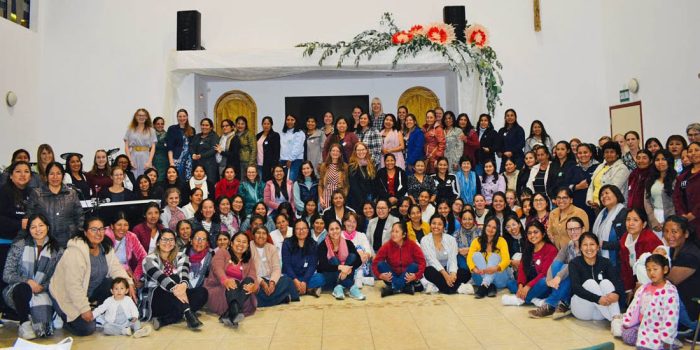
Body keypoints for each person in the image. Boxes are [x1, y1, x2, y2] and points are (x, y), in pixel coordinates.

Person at [50, 217, 135, 336]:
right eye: (94, 229)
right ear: (85, 232)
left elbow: (115, 268)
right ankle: (60, 314)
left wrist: (128, 282)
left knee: (115, 285)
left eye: (101, 229)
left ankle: (97, 313)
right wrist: (84, 309)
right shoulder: (75, 252)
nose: (98, 233)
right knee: (87, 328)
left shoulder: (105, 247)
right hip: (65, 294)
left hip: (88, 292)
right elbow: (73, 286)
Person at [2, 214, 62, 340]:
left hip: (44, 291)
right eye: (33, 227)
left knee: (45, 331)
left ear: (48, 227)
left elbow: (58, 278)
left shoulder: (57, 251)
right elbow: (7, 275)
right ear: (28, 230)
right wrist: (28, 282)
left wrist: (42, 287)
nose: (37, 230)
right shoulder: (19, 245)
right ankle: (24, 324)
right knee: (23, 288)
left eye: (41, 225)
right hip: (17, 291)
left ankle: (49, 317)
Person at [141, 230, 207, 330]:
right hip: (157, 300)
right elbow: (161, 278)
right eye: (164, 239)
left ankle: (166, 320)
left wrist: (183, 285)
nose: (168, 242)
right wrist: (179, 287)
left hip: (176, 298)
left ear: (175, 243)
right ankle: (187, 312)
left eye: (171, 240)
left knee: (202, 292)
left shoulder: (182, 256)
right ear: (158, 242)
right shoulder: (149, 259)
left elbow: (184, 275)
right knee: (174, 278)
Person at [529, 217, 584, 319]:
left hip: (582, 281)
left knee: (567, 267)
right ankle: (563, 302)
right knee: (556, 266)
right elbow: (554, 263)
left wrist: (558, 277)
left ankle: (550, 304)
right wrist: (549, 279)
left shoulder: (586, 245)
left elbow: (573, 266)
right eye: (570, 229)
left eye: (576, 229)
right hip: (563, 282)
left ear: (583, 229)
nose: (573, 232)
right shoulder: (568, 246)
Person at [620, 254, 679, 349]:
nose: (651, 273)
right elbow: (633, 307)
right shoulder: (643, 288)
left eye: (655, 269)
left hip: (658, 331)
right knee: (628, 334)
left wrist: (666, 338)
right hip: (643, 328)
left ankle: (672, 342)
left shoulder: (670, 291)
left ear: (665, 269)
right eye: (648, 269)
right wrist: (627, 322)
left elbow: (671, 317)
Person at [569, 232, 624, 321]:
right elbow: (576, 288)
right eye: (585, 245)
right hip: (582, 310)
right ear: (580, 248)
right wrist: (598, 299)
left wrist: (616, 293)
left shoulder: (606, 262)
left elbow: (617, 281)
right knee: (590, 283)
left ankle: (615, 320)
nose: (589, 248)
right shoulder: (574, 263)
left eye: (592, 244)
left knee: (606, 282)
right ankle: (616, 318)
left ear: (598, 247)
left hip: (600, 312)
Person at [0, 161, 32, 312]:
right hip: (5, 243)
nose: (22, 175)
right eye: (18, 171)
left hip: (24, 243)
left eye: (26, 171)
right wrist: (20, 224)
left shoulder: (32, 193)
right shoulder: (3, 191)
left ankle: (14, 309)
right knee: (3, 278)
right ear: (11, 175)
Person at [27, 162, 83, 248]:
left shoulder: (71, 193)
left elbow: (79, 216)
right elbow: (29, 216)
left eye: (58, 173)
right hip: (44, 241)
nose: (55, 177)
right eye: (51, 173)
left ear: (63, 176)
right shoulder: (37, 194)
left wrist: (76, 234)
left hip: (68, 241)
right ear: (46, 176)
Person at [501, 221, 558, 306]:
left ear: (543, 234)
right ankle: (534, 300)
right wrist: (521, 286)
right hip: (530, 283)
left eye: (536, 232)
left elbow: (545, 273)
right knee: (510, 283)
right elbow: (522, 269)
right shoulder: (528, 248)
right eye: (529, 233)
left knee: (544, 281)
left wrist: (528, 286)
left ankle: (519, 300)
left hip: (542, 286)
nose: (532, 236)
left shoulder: (551, 249)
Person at [308, 220, 365, 300]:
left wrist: (348, 269)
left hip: (346, 273)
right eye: (331, 229)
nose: (335, 231)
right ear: (328, 231)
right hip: (329, 273)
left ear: (341, 229)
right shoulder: (323, 245)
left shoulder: (348, 243)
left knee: (352, 256)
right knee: (334, 260)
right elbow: (323, 265)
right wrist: (340, 267)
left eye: (337, 228)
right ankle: (351, 287)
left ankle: (338, 287)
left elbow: (359, 260)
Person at [618, 208, 663, 303]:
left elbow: (656, 268)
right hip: (636, 282)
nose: (630, 223)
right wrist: (629, 289)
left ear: (644, 224)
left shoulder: (649, 239)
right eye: (628, 219)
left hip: (653, 281)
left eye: (635, 220)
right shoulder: (624, 239)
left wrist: (639, 286)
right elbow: (625, 268)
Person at [663, 216, 700, 330]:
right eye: (666, 231)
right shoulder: (675, 247)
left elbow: (668, 283)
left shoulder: (689, 255)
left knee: (657, 291)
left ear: (686, 234)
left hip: (693, 311)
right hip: (685, 302)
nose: (669, 236)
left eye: (674, 232)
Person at [421, 214, 471, 294]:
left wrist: (453, 273)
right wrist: (446, 276)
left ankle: (443, 287)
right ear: (430, 225)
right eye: (434, 223)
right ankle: (456, 288)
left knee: (465, 273)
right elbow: (432, 260)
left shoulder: (451, 239)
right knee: (428, 271)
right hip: (436, 271)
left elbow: (453, 259)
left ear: (444, 227)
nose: (436, 226)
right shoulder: (425, 240)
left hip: (448, 270)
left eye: (440, 224)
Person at [373, 222, 426, 297]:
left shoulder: (412, 245)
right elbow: (375, 263)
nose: (393, 234)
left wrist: (416, 276)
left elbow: (422, 262)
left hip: (407, 277)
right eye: (392, 231)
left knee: (414, 266)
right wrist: (380, 275)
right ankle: (404, 288)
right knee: (380, 264)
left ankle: (393, 288)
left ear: (404, 234)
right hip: (392, 276)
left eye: (397, 231)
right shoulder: (387, 245)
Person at [250, 226, 298, 306]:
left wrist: (272, 283)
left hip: (269, 279)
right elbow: (250, 270)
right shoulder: (249, 247)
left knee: (287, 280)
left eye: (264, 233)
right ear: (253, 235)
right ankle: (281, 299)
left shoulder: (271, 248)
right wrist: (262, 283)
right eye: (258, 233)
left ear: (267, 236)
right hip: (256, 279)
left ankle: (263, 300)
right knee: (251, 289)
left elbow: (276, 268)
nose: (261, 236)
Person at [467, 216, 511, 298]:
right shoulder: (476, 241)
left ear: (497, 229)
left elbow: (506, 260)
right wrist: (474, 269)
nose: (491, 229)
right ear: (485, 226)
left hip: (499, 278)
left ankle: (484, 286)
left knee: (495, 256)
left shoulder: (501, 241)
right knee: (476, 255)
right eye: (489, 226)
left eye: (494, 227)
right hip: (481, 276)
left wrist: (495, 268)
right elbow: (469, 258)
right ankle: (488, 285)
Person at [104, 212, 147, 287]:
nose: (122, 228)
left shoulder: (131, 236)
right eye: (119, 225)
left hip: (126, 274)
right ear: (112, 226)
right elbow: (107, 261)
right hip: (108, 274)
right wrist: (125, 269)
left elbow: (144, 257)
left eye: (125, 225)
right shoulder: (104, 236)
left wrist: (135, 277)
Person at [591, 185, 628, 267]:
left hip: (618, 260)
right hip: (600, 257)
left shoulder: (624, 214)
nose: (604, 196)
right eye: (601, 195)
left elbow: (627, 241)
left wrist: (605, 245)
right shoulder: (601, 214)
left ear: (616, 195)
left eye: (607, 193)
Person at [586, 141, 631, 209]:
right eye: (606, 152)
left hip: (613, 206)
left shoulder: (622, 169)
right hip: (595, 205)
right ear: (603, 154)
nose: (609, 154)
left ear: (617, 154)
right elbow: (591, 185)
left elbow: (613, 189)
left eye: (612, 152)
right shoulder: (600, 166)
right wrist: (590, 200)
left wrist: (599, 203)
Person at [282, 220, 319, 297]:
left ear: (308, 230)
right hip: (290, 277)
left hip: (306, 277)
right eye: (298, 229)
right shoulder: (287, 243)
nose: (301, 231)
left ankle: (298, 289)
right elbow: (287, 265)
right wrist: (295, 280)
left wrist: (304, 281)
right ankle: (308, 289)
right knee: (283, 281)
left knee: (321, 278)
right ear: (294, 231)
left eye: (304, 228)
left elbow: (312, 265)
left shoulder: (313, 244)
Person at [644, 150, 676, 236]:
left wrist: (667, 221)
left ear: (669, 161)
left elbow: (677, 203)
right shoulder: (650, 180)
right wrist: (653, 221)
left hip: (671, 218)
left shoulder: (676, 179)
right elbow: (647, 202)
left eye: (663, 159)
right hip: (654, 217)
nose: (660, 162)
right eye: (657, 160)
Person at [673, 142, 700, 238]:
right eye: (690, 151)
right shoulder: (682, 177)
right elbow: (676, 197)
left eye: (697, 150)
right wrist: (682, 214)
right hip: (686, 221)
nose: (693, 153)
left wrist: (694, 214)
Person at [341, 212, 374, 289]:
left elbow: (368, 251)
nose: (351, 224)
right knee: (354, 252)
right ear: (344, 222)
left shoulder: (361, 235)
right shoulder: (339, 234)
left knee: (360, 249)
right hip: (344, 264)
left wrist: (365, 255)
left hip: (359, 264)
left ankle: (358, 276)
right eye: (349, 221)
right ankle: (360, 279)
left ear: (356, 224)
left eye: (354, 222)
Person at [570, 143, 599, 227]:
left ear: (590, 153)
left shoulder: (599, 167)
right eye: (580, 153)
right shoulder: (573, 168)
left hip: (594, 207)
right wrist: (577, 187)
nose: (583, 155)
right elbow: (566, 186)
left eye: (585, 152)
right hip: (577, 206)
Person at [124, 108, 157, 177]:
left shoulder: (151, 130)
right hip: (133, 156)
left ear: (147, 117)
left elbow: (153, 147)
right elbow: (126, 147)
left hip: (146, 157)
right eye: (139, 115)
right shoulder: (130, 130)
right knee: (134, 176)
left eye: (143, 115)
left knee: (146, 177)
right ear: (135, 117)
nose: (141, 117)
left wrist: (149, 161)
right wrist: (130, 161)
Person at [318, 143, 349, 212]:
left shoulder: (345, 166)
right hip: (326, 195)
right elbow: (320, 184)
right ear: (330, 152)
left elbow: (347, 184)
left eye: (337, 151)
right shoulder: (324, 166)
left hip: (339, 196)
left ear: (340, 154)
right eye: (333, 151)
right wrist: (321, 198)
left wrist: (343, 196)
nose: (335, 153)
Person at [166, 108, 196, 179]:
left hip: (189, 160)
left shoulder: (192, 130)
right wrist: (171, 162)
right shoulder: (172, 129)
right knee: (176, 178)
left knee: (187, 179)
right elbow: (169, 147)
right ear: (177, 117)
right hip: (176, 159)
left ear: (187, 117)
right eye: (180, 116)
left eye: (184, 116)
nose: (182, 118)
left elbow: (193, 146)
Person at [347, 142, 376, 213]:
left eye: (363, 149)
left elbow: (374, 182)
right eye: (358, 150)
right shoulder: (352, 166)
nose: (361, 152)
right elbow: (354, 186)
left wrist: (374, 197)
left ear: (366, 150)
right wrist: (364, 202)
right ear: (355, 152)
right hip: (358, 200)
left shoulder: (371, 164)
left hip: (371, 198)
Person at [190, 118, 221, 182]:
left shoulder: (214, 136)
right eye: (203, 125)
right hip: (197, 165)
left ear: (211, 127)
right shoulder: (197, 136)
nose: (204, 127)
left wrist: (201, 155)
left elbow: (214, 150)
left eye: (207, 125)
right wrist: (193, 154)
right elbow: (191, 146)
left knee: (209, 184)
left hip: (209, 166)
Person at [279, 114, 305, 181]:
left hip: (295, 160)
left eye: (292, 120)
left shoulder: (299, 133)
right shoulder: (283, 133)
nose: (289, 121)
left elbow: (297, 148)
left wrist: (290, 159)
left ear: (295, 121)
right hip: (283, 160)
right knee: (282, 181)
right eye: (288, 120)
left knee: (291, 181)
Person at [256, 116, 281, 183]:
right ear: (262, 124)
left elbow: (276, 152)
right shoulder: (258, 135)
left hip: (268, 165)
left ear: (271, 125)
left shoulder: (275, 135)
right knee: (259, 183)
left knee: (267, 183)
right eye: (264, 123)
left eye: (268, 124)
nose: (266, 126)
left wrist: (274, 165)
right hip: (258, 164)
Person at [423, 110, 446, 174]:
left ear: (435, 118)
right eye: (427, 117)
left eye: (431, 117)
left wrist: (437, 159)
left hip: (434, 157)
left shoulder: (438, 129)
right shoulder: (425, 128)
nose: (429, 119)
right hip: (426, 157)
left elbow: (442, 144)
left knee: (434, 177)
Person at [152, 117, 169, 182]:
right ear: (154, 125)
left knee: (164, 181)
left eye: (162, 124)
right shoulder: (150, 135)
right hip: (154, 161)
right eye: (158, 124)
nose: (160, 125)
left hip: (165, 162)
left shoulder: (168, 135)